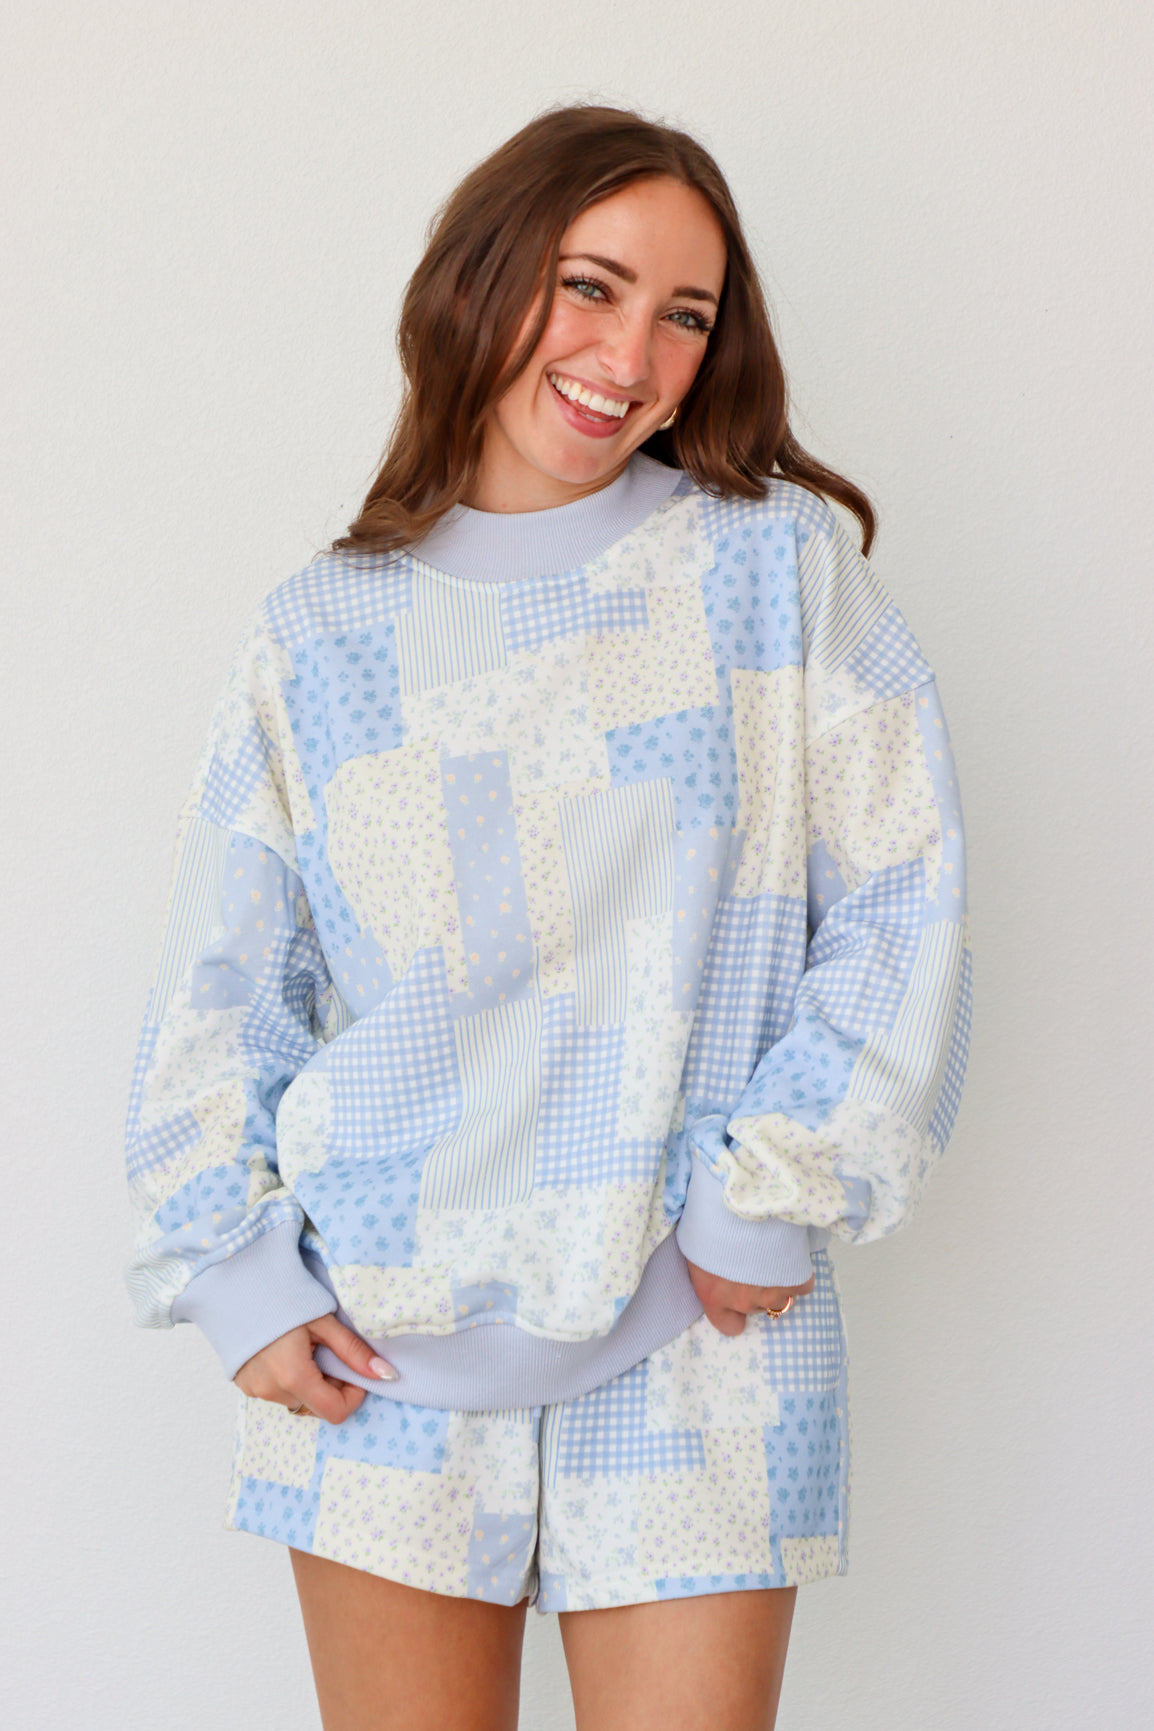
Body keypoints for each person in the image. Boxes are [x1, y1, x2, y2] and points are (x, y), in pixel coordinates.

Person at [123, 102, 971, 1731]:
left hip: (699, 1335)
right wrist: (241, 1275)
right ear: (480, 281)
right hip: (372, 1354)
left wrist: (765, 1206)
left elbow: (902, 889)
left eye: (684, 313)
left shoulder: (769, 574)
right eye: (588, 286)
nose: (629, 351)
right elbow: (227, 980)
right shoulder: (321, 630)